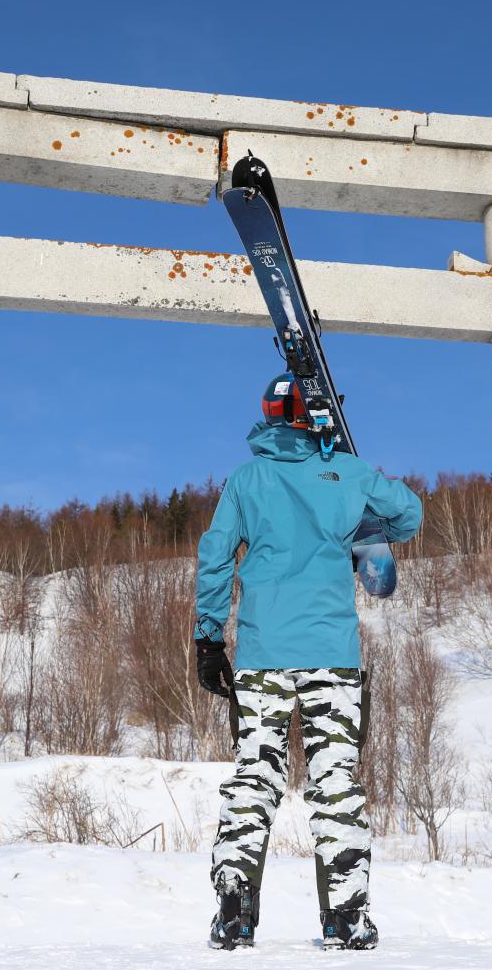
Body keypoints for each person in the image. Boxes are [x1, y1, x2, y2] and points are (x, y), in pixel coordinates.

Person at [193, 373, 423, 950]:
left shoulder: (245, 479)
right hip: (332, 657)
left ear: (270, 416)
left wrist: (207, 638)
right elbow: (409, 516)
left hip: (262, 654)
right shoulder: (349, 472)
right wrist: (361, 518)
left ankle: (235, 910)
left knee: (255, 775)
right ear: (319, 416)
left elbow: (216, 557)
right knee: (334, 780)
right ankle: (346, 916)